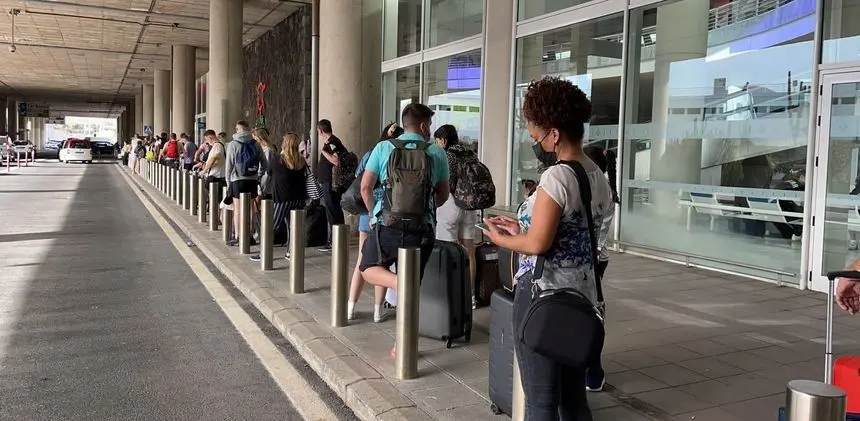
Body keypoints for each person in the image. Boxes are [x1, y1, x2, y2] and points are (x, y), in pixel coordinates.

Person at [482, 76, 613, 420]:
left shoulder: (556, 176)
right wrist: (520, 227)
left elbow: (538, 243)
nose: (534, 142)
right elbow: (567, 230)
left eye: (535, 135)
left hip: (543, 297)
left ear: (554, 134)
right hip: (580, 297)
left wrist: (501, 239)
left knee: (540, 399)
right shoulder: (597, 174)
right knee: (572, 399)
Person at [359, 103, 450, 358]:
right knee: (413, 287)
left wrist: (374, 214)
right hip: (421, 229)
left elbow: (365, 187)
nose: (430, 130)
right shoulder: (436, 153)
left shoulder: (384, 147)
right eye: (429, 125)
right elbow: (443, 194)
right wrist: (426, 209)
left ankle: (398, 282)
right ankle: (403, 346)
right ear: (422, 126)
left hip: (387, 223)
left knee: (368, 268)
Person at [347, 123, 403, 323]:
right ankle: (378, 311)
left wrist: (371, 212)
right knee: (382, 263)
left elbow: (360, 180)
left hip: (369, 210)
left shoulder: (372, 152)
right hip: (388, 212)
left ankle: (350, 307)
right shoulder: (400, 154)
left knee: (363, 260)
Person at [249, 133, 321, 262]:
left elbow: (267, 177)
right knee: (293, 226)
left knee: (271, 226)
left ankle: (264, 254)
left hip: (282, 199)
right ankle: (290, 252)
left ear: (284, 144)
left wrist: (262, 191)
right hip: (299, 198)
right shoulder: (301, 160)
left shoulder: (277, 160)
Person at [582, 144, 617, 393]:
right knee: (590, 310)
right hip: (595, 258)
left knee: (587, 312)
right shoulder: (605, 188)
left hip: (587, 259)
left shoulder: (592, 188)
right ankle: (592, 371)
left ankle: (592, 370)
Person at [433, 124, 479, 309]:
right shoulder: (470, 154)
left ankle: (451, 293)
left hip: (451, 204)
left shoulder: (446, 155)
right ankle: (470, 295)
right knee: (469, 250)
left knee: (449, 249)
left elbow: (447, 184)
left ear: (443, 140)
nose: (436, 143)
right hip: (470, 205)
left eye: (437, 140)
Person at [225, 120, 267, 246]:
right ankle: (249, 236)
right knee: (250, 209)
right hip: (252, 180)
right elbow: (265, 163)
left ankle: (239, 236)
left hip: (237, 181)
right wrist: (258, 175)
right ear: (248, 129)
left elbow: (229, 166)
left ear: (238, 129)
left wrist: (228, 183)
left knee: (238, 210)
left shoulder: (233, 144)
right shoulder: (256, 144)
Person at [316, 119, 347, 253]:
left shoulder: (333, 142)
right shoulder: (332, 141)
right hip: (328, 181)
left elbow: (337, 161)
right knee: (334, 208)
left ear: (320, 130)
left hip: (330, 182)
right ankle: (337, 238)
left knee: (332, 209)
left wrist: (324, 153)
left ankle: (333, 240)